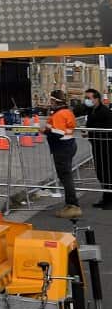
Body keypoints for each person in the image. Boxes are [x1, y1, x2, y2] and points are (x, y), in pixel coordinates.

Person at [42, 91, 81, 219]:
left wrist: (46, 131)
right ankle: (71, 205)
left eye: (51, 101)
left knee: (65, 177)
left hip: (62, 148)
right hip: (69, 145)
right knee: (66, 175)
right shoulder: (67, 112)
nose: (50, 103)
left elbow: (57, 133)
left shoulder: (59, 114)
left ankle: (72, 206)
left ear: (55, 101)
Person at [81, 88, 112, 209]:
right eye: (86, 98)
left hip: (106, 146)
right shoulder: (91, 111)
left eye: (89, 98)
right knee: (101, 173)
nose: (87, 100)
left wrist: (91, 133)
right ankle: (105, 198)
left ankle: (110, 200)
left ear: (97, 99)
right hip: (96, 145)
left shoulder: (104, 112)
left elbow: (106, 130)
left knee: (107, 173)